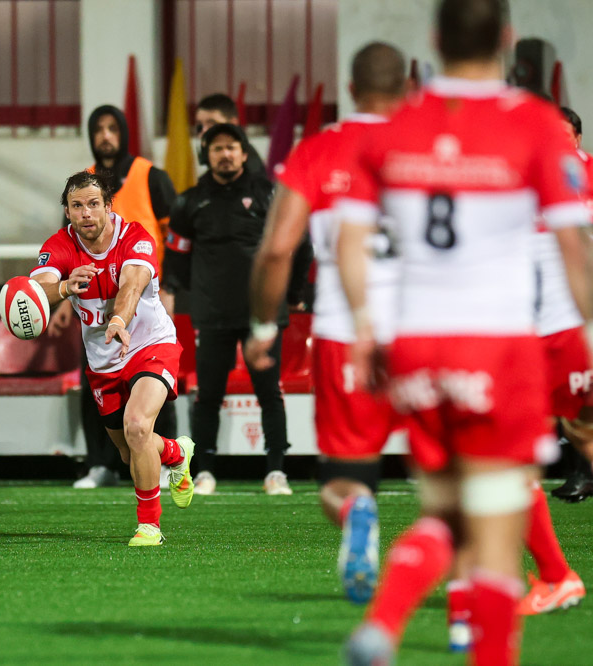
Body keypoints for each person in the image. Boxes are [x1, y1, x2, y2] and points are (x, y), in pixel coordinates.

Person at [333, 2, 593, 664]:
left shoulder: (393, 127)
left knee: (446, 514)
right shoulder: (536, 125)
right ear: (506, 40)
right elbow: (574, 252)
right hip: (500, 347)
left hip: (418, 347)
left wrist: (366, 327)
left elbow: (351, 243)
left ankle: (385, 621)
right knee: (498, 535)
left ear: (433, 41)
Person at [247, 41, 407, 602]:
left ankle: (357, 510)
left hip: (347, 335)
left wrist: (264, 329)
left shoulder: (319, 151)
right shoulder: (433, 145)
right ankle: (472, 604)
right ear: (407, 87)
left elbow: (276, 251)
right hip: (431, 333)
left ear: (352, 89)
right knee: (461, 481)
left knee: (342, 480)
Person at [31, 170, 194, 546]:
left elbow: (132, 283)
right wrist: (63, 286)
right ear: (67, 212)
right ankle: (175, 450)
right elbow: (35, 287)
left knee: (138, 426)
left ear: (107, 206)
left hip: (149, 344)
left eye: (93, 204)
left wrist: (120, 318)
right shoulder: (60, 244)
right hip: (102, 361)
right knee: (127, 451)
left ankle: (149, 526)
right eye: (77, 206)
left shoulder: (134, 236)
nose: (86, 213)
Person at [164, 123, 307, 496]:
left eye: (232, 147)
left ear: (244, 153)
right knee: (207, 395)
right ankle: (205, 471)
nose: (225, 154)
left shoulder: (270, 193)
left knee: (269, 394)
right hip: (212, 315)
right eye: (217, 149)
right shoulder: (189, 201)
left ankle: (276, 471)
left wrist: (293, 292)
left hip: (262, 315)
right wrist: (171, 290)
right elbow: (175, 256)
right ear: (206, 156)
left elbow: (299, 241)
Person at [63, 105, 180, 489]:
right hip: (94, 302)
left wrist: (171, 290)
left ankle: (166, 459)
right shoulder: (81, 185)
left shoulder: (151, 176)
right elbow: (67, 247)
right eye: (99, 129)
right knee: (95, 382)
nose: (105, 136)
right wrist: (63, 296)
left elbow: (176, 239)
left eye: (113, 128)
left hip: (144, 296)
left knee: (152, 386)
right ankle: (101, 463)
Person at [549, 106, 593, 503]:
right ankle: (578, 470)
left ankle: (582, 473)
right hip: (554, 298)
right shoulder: (539, 177)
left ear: (577, 138)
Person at [195, 93, 268, 178]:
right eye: (200, 126)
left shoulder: (251, 172)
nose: (204, 131)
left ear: (233, 123)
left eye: (212, 124)